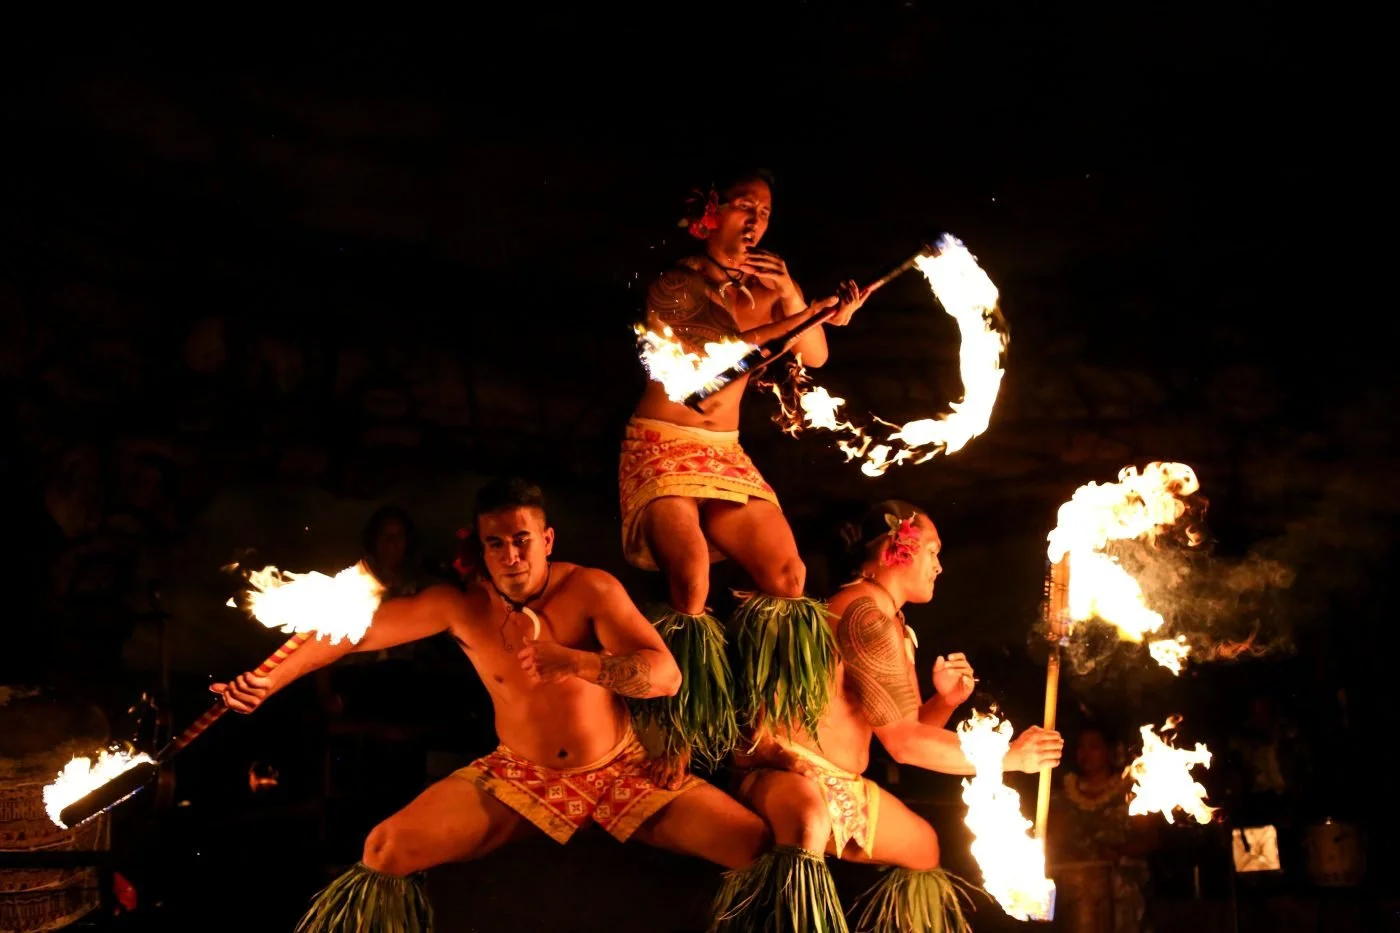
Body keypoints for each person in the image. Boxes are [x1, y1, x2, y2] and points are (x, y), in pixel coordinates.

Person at [213, 477, 773, 931]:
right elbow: (347, 633)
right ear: (480, 547)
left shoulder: (591, 590)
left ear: (547, 540)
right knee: (384, 850)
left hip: (621, 769)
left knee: (755, 846)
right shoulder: (461, 606)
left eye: (522, 540)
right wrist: (269, 683)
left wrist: (578, 662)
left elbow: (666, 676)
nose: (510, 555)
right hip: (520, 776)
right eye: (495, 543)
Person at [714, 500, 1064, 933]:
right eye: (933, 551)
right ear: (895, 549)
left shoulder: (889, 620)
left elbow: (907, 734)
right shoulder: (864, 615)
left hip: (839, 784)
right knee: (809, 824)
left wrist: (946, 701)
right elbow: (905, 744)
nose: (939, 566)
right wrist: (1011, 756)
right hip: (788, 774)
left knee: (923, 848)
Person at [620, 167, 869, 773]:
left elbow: (816, 355)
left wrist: (800, 300)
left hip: (725, 451)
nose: (755, 220)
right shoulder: (673, 286)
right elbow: (728, 359)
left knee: (788, 575)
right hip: (663, 444)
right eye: (742, 206)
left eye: (764, 211)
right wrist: (807, 313)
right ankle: (675, 737)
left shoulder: (766, 288)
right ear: (710, 212)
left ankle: (770, 732)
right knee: (693, 582)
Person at [1049, 724, 1158, 933]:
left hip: (1123, 887)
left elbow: (1151, 838)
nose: (1085, 753)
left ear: (1110, 751)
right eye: (1081, 746)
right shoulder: (1062, 796)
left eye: (1094, 746)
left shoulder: (1131, 792)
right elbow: (1053, 840)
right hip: (1074, 887)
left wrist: (1118, 853)